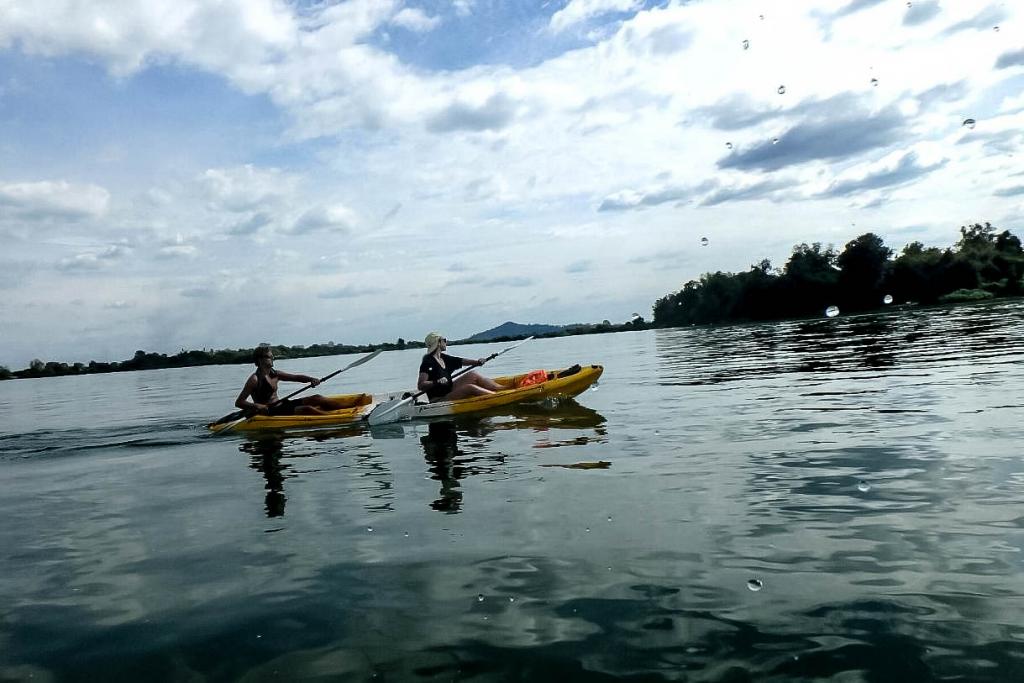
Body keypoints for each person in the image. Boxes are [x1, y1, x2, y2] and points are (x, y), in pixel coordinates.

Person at [235, 346, 350, 416]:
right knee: (307, 409)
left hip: (281, 405)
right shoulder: (254, 379)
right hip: (270, 411)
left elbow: (295, 377)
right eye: (269, 357)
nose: (272, 358)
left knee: (316, 398)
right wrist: (258, 406)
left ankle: (348, 409)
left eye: (272, 356)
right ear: (260, 360)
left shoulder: (275, 374)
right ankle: (338, 418)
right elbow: (239, 402)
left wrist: (311, 379)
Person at [418, 332, 504, 401]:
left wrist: (478, 362)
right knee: (469, 388)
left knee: (473, 374)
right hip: (439, 399)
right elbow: (421, 385)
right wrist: (437, 381)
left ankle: (501, 389)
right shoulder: (428, 362)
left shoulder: (443, 357)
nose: (446, 342)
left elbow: (462, 361)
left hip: (449, 389)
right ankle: (498, 397)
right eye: (444, 340)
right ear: (438, 343)